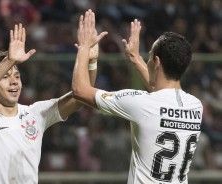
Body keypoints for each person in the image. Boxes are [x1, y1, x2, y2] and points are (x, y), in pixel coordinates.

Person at [72, 10, 203, 184]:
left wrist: (84, 48)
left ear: (156, 62)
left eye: (148, 56)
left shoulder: (140, 103)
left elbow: (80, 90)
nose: (146, 60)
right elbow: (161, 92)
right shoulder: (195, 106)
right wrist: (135, 58)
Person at [0, 22, 103, 183]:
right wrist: (9, 60)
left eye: (17, 76)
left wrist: (90, 61)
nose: (14, 82)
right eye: (6, 77)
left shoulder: (35, 114)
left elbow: (81, 95)